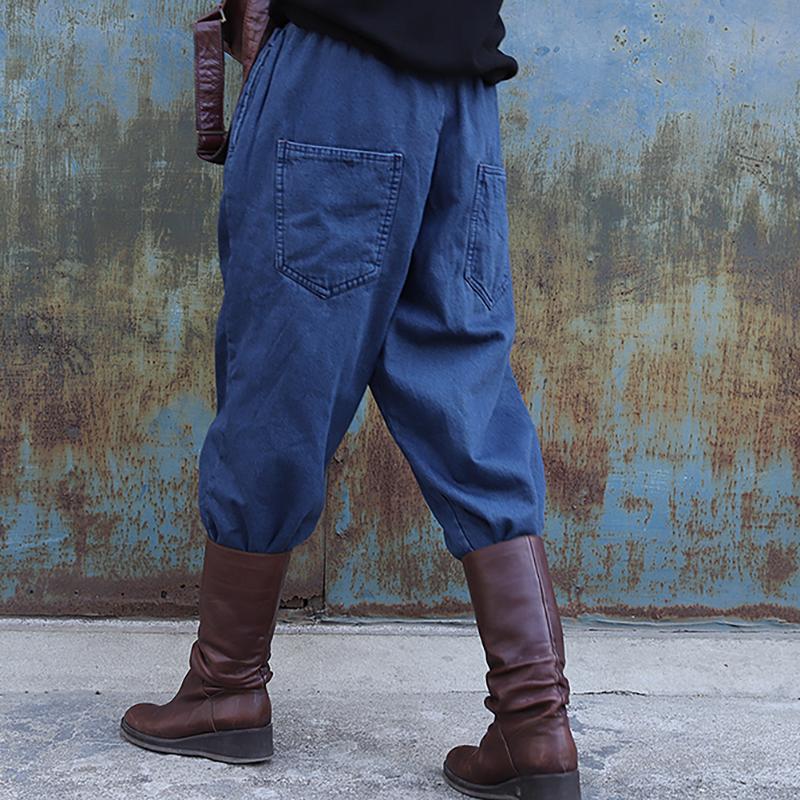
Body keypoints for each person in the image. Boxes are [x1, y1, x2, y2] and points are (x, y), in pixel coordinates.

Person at [120, 2, 581, 798]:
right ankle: (536, 723)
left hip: (340, 76)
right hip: (462, 90)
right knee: (468, 392)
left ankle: (226, 686)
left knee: (282, 379)